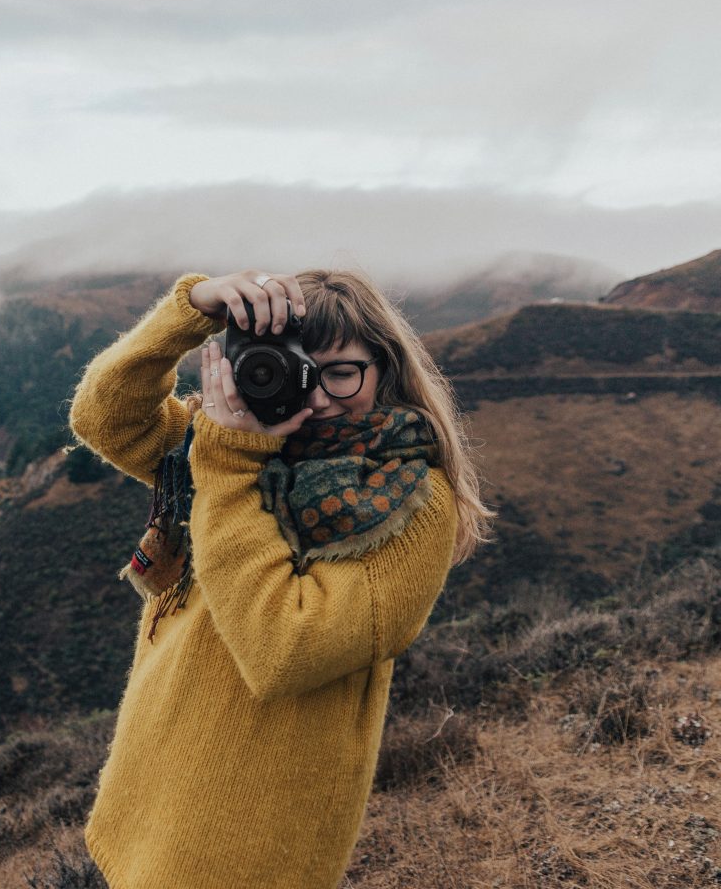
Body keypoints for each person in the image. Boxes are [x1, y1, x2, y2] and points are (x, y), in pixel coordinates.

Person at [67, 268, 492, 889]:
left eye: (342, 371)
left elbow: (284, 651)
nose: (317, 398)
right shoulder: (227, 445)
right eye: (292, 367)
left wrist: (231, 461)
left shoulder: (413, 501)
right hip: (154, 778)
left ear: (388, 369)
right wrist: (191, 310)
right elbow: (104, 417)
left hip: (249, 830)